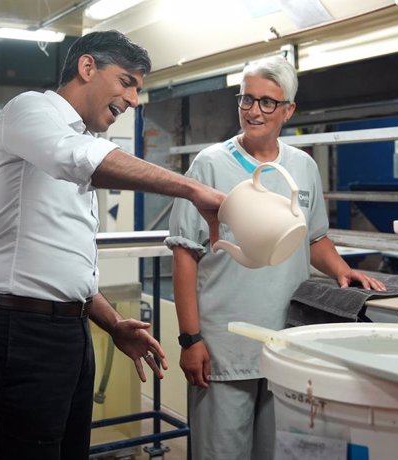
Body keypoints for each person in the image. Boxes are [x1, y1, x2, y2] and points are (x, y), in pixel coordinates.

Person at [0, 30, 225, 460]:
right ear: (88, 67)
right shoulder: (29, 110)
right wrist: (194, 190)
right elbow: (76, 158)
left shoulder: (86, 141)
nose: (133, 100)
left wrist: (113, 323)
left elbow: (64, 265)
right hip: (23, 334)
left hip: (70, 331)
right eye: (127, 82)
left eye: (138, 89)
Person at [165, 56, 386, 460]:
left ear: (288, 110)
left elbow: (313, 238)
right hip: (224, 348)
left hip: (288, 343)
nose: (253, 111)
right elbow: (185, 255)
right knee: (221, 453)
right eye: (247, 99)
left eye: (267, 102)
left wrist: (342, 270)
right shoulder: (210, 165)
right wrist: (190, 338)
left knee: (280, 453)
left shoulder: (302, 167)